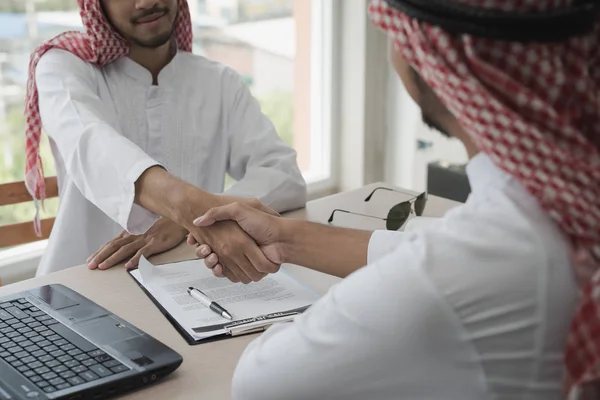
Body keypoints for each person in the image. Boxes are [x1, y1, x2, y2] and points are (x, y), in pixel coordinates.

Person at [192, 0, 600, 398]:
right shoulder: (562, 202)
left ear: (433, 56)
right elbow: (437, 252)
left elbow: (262, 381)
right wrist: (284, 239)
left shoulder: (465, 270)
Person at [25, 0, 306, 278]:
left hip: (194, 278)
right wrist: (191, 211)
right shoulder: (63, 68)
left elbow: (283, 174)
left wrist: (189, 221)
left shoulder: (219, 81)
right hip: (80, 281)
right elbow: (92, 145)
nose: (147, 2)